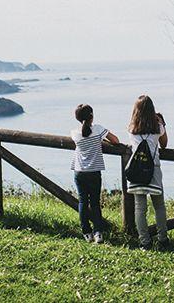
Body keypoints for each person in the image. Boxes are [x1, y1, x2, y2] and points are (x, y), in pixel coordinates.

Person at [71, 103, 119, 243]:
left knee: (83, 202)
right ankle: (98, 232)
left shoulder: (74, 133)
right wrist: (100, 139)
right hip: (94, 172)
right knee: (95, 203)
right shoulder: (98, 129)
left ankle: (86, 232)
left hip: (79, 172)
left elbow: (84, 135)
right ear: (91, 116)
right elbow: (115, 140)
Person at [127, 94, 169, 249]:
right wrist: (162, 123)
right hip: (154, 170)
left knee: (140, 207)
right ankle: (163, 239)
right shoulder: (157, 127)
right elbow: (164, 144)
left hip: (137, 170)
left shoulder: (131, 128)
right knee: (159, 207)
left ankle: (145, 242)